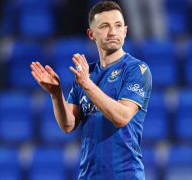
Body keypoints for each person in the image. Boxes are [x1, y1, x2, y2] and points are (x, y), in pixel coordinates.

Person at [30, 1, 152, 179]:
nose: (113, 32)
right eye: (104, 26)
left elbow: (122, 117)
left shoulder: (136, 70)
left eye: (118, 25)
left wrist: (87, 84)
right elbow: (68, 125)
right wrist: (56, 95)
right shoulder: (87, 74)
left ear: (125, 31)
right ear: (91, 34)